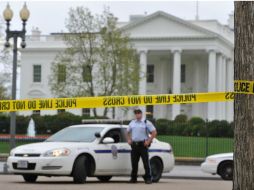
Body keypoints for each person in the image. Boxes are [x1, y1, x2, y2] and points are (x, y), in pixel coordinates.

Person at [127, 108, 157, 184]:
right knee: (134, 163)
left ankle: (148, 178)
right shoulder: (132, 123)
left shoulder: (146, 122)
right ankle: (133, 178)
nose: (137, 114)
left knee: (146, 163)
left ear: (141, 114)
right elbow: (127, 132)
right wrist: (129, 139)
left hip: (143, 145)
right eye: (136, 113)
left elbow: (154, 132)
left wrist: (149, 141)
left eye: (138, 113)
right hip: (134, 145)